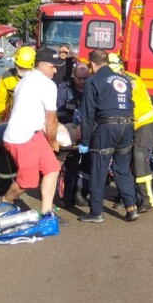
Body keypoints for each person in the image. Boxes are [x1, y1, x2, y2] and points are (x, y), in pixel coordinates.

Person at [77, 49, 139, 223]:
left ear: (92, 64)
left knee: (99, 169)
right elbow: (130, 103)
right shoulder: (123, 80)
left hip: (107, 126)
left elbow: (88, 113)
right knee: (123, 169)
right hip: (126, 126)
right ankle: (131, 207)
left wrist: (85, 141)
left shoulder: (93, 81)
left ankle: (96, 212)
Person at [1, 48, 62, 217]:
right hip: (21, 136)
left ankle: (47, 211)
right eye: (53, 66)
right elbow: (51, 120)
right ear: (42, 65)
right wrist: (53, 141)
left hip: (34, 133)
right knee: (28, 181)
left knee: (52, 168)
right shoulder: (47, 84)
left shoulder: (26, 79)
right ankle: (6, 201)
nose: (55, 70)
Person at [108, 53, 153, 212]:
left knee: (139, 159)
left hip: (144, 123)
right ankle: (129, 197)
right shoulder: (120, 80)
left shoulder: (132, 81)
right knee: (126, 161)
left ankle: (147, 199)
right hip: (130, 124)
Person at [57, 63, 91, 208]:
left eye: (85, 78)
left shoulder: (92, 88)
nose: (82, 82)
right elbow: (57, 112)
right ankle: (67, 198)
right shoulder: (64, 89)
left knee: (87, 164)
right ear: (73, 75)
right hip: (68, 132)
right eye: (79, 78)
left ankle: (80, 193)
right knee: (70, 165)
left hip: (87, 131)